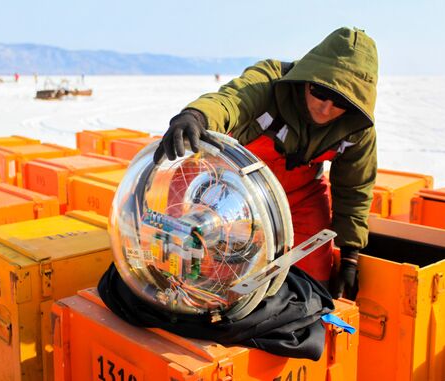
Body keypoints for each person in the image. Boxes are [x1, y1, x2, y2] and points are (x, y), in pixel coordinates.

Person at [153, 27, 378, 300]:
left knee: (312, 282)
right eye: (319, 91)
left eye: (340, 101)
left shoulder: (357, 129)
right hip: (228, 191)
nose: (325, 108)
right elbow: (231, 101)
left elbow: (354, 189)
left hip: (298, 197)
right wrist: (196, 116)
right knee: (209, 277)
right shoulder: (270, 80)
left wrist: (351, 254)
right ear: (307, 79)